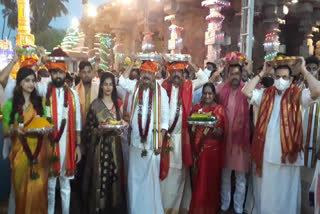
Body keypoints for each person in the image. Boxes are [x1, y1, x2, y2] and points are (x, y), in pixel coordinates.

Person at [242, 58, 320, 214]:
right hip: (267, 155)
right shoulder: (266, 94)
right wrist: (263, 72)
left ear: (291, 79)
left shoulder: (299, 95)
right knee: (268, 194)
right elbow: (246, 91)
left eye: (285, 77)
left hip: (288, 155)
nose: (280, 81)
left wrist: (304, 71)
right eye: (277, 77)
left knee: (286, 195)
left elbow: (317, 91)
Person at [119, 60, 169, 214]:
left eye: (149, 73)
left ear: (154, 75)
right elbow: (121, 80)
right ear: (140, 73)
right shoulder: (134, 87)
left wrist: (160, 142)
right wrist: (132, 62)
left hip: (152, 144)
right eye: (143, 72)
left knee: (150, 183)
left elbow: (164, 121)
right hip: (135, 143)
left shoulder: (161, 92)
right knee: (134, 180)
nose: (146, 76)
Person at [160, 60, 208, 214]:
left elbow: (204, 79)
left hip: (182, 139)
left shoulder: (188, 86)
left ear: (183, 73)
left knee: (179, 175)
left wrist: (190, 63)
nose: (176, 74)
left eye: (179, 72)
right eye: (173, 71)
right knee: (165, 175)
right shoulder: (162, 86)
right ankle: (162, 206)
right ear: (169, 72)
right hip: (165, 137)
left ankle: (175, 208)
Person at [2, 67, 49, 214]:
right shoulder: (11, 105)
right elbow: (5, 133)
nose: (31, 84)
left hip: (39, 154)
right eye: (27, 80)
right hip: (20, 154)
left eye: (33, 80)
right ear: (20, 83)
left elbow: (46, 125)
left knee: (39, 192)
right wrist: (14, 131)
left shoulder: (40, 103)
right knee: (21, 192)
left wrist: (45, 129)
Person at [42, 48, 82, 214]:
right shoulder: (44, 92)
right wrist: (41, 61)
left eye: (60, 72)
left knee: (65, 184)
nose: (57, 76)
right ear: (51, 74)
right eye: (55, 72)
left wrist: (78, 146)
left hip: (68, 143)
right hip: (49, 144)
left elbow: (78, 122)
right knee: (50, 185)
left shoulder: (72, 95)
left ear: (66, 74)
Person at [82, 72, 127, 213]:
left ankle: (112, 207)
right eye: (105, 84)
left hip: (115, 147)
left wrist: (120, 129)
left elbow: (119, 125)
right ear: (101, 86)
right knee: (101, 180)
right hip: (100, 149)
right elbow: (88, 131)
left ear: (114, 86)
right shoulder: (95, 105)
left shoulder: (117, 104)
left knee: (114, 177)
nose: (108, 87)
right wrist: (98, 132)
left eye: (111, 84)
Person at [217, 53, 250, 214]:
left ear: (242, 74)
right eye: (232, 74)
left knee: (241, 177)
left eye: (237, 73)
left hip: (241, 142)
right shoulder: (222, 90)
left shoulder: (248, 90)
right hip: (225, 140)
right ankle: (224, 204)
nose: (235, 76)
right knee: (224, 175)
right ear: (228, 75)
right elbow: (205, 89)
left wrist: (251, 71)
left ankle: (238, 207)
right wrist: (219, 71)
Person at [189, 82, 226, 214]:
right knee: (198, 181)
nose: (207, 96)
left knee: (210, 182)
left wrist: (214, 128)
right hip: (197, 151)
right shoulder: (196, 108)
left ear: (214, 95)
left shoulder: (219, 109)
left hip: (212, 152)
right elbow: (190, 129)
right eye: (205, 93)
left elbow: (221, 133)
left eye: (210, 93)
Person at [74, 61, 99, 127]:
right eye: (84, 72)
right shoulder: (74, 91)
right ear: (79, 74)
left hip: (95, 129)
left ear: (92, 73)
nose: (87, 75)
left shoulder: (98, 89)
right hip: (79, 128)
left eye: (89, 72)